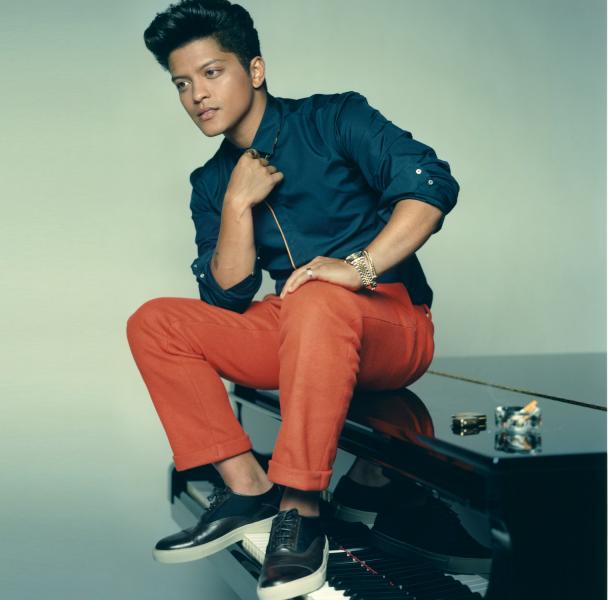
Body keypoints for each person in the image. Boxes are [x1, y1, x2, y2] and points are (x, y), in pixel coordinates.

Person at [126, 1, 459, 598]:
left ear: (254, 70)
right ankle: (248, 490)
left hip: (394, 323)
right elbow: (226, 297)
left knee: (316, 299)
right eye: (181, 83)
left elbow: (430, 184)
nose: (197, 95)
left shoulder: (334, 118)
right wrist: (237, 202)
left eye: (211, 72)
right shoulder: (211, 182)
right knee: (155, 322)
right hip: (300, 328)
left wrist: (358, 268)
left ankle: (301, 509)